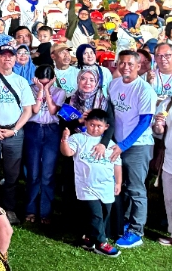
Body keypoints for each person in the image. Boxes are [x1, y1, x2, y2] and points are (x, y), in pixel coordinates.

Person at [0, 44, 33, 223]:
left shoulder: (21, 81)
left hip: (14, 132)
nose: (7, 59)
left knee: (12, 173)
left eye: (11, 56)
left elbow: (27, 110)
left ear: (15, 59)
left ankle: (9, 209)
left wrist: (14, 130)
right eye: (3, 55)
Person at [108, 50, 156, 248]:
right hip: (118, 144)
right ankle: (125, 221)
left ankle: (137, 231)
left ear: (138, 66)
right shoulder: (114, 84)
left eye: (130, 64)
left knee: (136, 189)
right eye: (122, 63)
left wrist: (123, 145)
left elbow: (144, 122)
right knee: (123, 187)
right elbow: (111, 113)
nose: (125, 67)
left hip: (138, 146)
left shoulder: (145, 90)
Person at [61, 109, 123, 256]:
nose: (95, 128)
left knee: (105, 212)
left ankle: (89, 238)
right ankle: (102, 243)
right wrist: (64, 139)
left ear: (106, 127)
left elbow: (117, 165)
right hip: (86, 185)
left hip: (106, 186)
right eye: (92, 125)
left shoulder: (110, 144)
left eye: (99, 126)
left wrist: (118, 182)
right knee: (96, 215)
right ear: (86, 124)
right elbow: (67, 152)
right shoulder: (78, 138)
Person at [22, 64, 64, 224]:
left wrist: (47, 90)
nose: (44, 83)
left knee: (48, 173)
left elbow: (53, 111)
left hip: (52, 130)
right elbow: (35, 109)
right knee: (32, 173)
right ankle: (30, 209)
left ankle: (46, 211)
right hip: (33, 129)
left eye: (48, 82)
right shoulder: (29, 89)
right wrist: (40, 90)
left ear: (53, 79)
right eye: (41, 81)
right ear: (36, 78)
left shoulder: (59, 92)